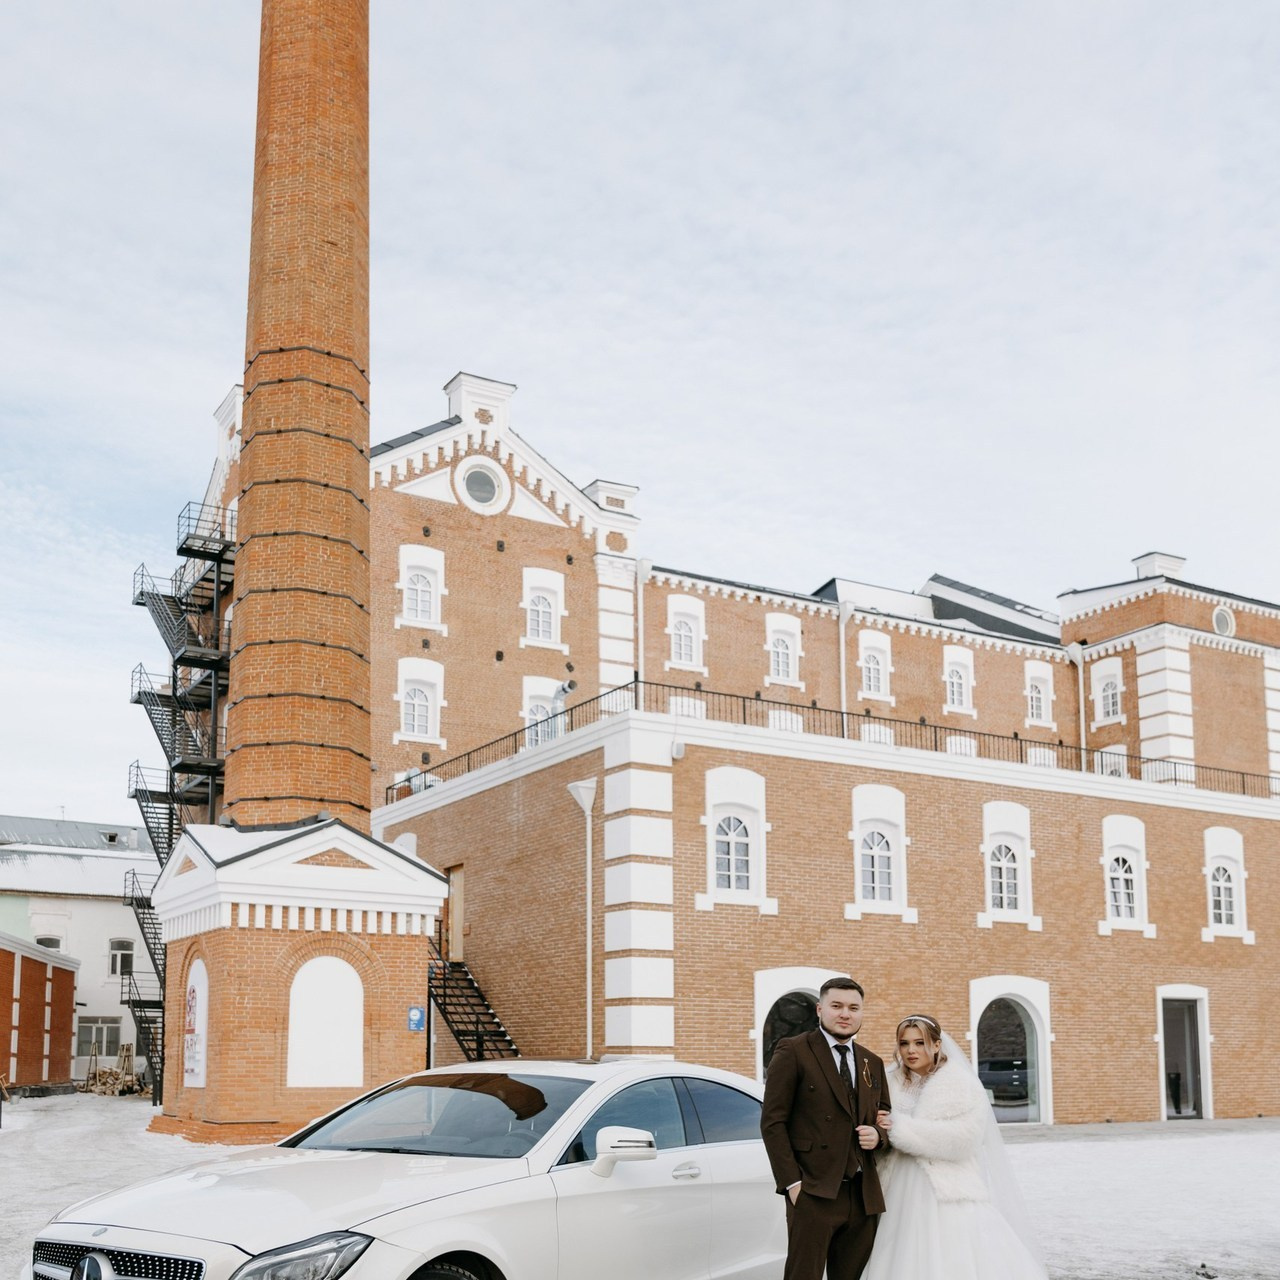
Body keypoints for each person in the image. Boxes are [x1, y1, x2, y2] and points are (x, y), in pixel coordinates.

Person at [865, 1014, 1048, 1280]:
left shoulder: (960, 1084)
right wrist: (879, 1129)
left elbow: (964, 1140)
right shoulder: (887, 1083)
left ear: (937, 1045)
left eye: (920, 1043)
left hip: (947, 1189)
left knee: (952, 1258)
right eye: (904, 1043)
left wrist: (899, 1128)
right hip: (894, 1184)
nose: (911, 1050)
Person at [761, 976, 891, 1280]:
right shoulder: (793, 1050)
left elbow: (885, 1119)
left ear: (861, 1013)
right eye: (837, 1006)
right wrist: (792, 1184)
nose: (845, 1014)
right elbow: (772, 1122)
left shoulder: (873, 1061)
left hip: (863, 1195)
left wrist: (880, 1136)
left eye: (853, 1007)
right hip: (814, 1190)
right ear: (820, 1009)